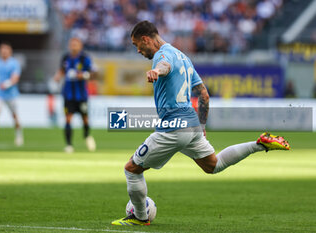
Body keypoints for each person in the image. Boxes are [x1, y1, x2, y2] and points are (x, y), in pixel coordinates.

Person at [111, 21, 290, 226]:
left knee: (131, 169)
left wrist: (156, 72)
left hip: (174, 126)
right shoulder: (184, 57)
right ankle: (259, 144)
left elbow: (164, 66)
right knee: (213, 165)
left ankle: (140, 217)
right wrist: (202, 127)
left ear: (146, 39)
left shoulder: (162, 56)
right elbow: (204, 94)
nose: (138, 50)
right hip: (192, 124)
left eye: (137, 45)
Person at [54, 37, 96, 153]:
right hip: (68, 95)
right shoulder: (65, 58)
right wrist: (57, 76)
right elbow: (62, 70)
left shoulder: (85, 58)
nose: (73, 47)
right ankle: (69, 145)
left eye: (76, 45)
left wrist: (81, 75)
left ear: (80, 46)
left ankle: (87, 136)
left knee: (85, 119)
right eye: (72, 44)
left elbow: (93, 74)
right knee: (68, 119)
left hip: (81, 96)